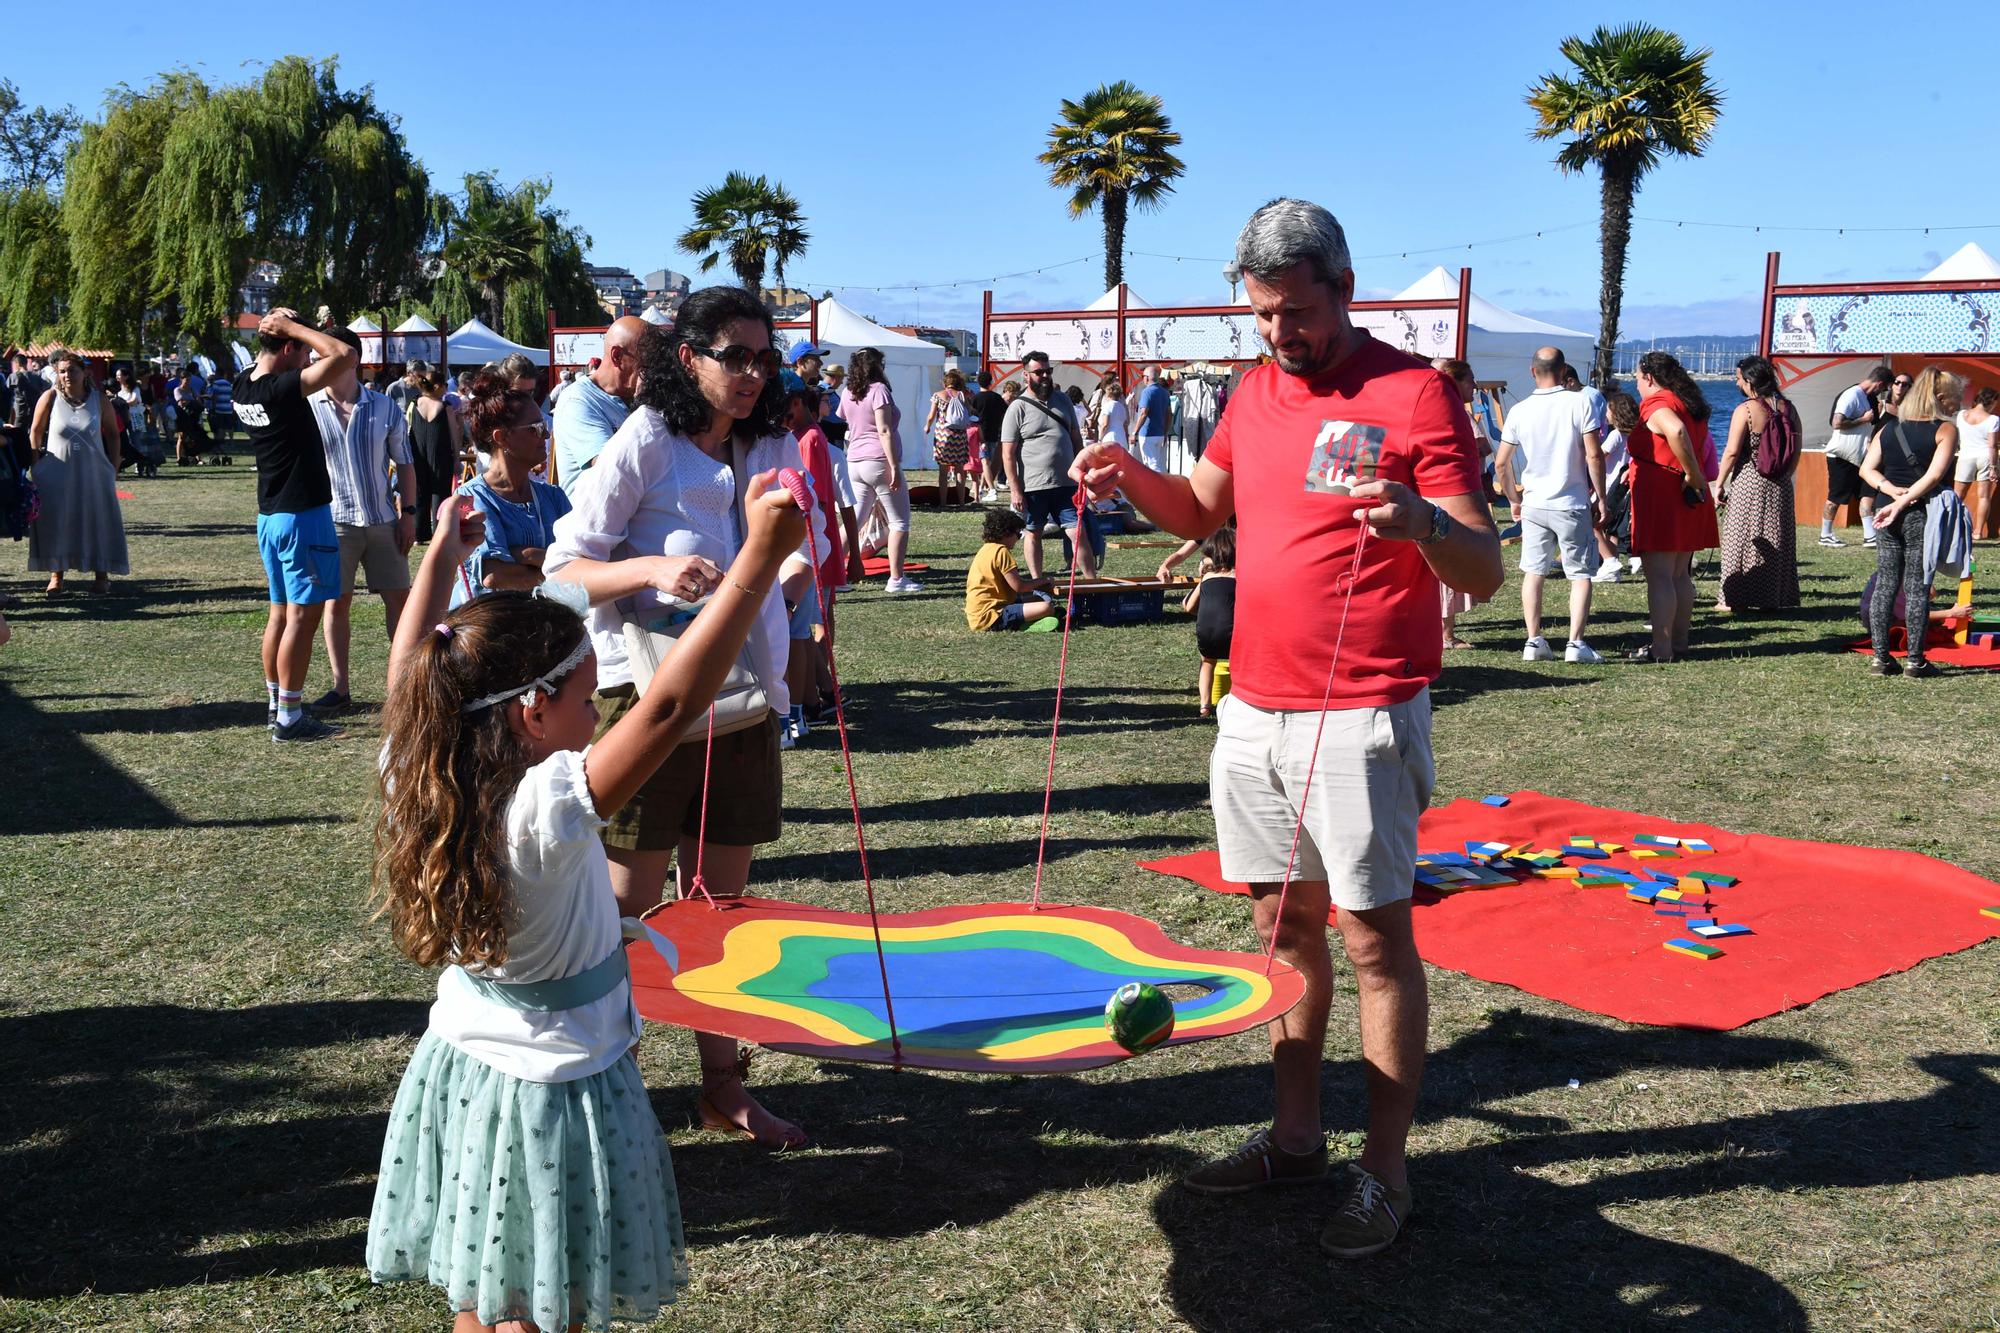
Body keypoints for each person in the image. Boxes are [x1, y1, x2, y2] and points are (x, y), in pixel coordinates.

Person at [1070, 198, 1501, 1258]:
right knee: (1281, 932)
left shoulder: (1414, 395)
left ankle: (1384, 1172)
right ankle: (1295, 1138)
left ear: (1343, 293)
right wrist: (1125, 474)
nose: (1276, 334)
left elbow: (1482, 569)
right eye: (1259, 314)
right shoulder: (1252, 393)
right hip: (1250, 708)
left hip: (1361, 710)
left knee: (1371, 940)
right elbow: (1198, 511)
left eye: (1293, 313)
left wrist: (1421, 522)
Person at [366, 471, 809, 1332]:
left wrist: (435, 565)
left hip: (463, 1066)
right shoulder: (544, 810)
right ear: (534, 711)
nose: (595, 709)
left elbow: (409, 662)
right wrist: (756, 558)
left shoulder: (420, 763)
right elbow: (672, 702)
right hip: (554, 1088)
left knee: (486, 1291)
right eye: (583, 695)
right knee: (549, 1303)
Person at [543, 285, 823, 1151]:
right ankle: (610, 1087)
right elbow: (563, 567)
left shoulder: (771, 440)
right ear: (687, 357)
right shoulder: (646, 441)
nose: (750, 374)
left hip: (743, 699)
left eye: (763, 358)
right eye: (732, 356)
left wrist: (804, 624)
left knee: (722, 910)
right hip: (644, 700)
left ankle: (721, 1088)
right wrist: (650, 574)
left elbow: (796, 555)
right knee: (626, 912)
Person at [234, 307, 360, 741]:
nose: (310, 359)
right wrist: (295, 328)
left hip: (271, 516)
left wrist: (283, 330)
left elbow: (318, 357)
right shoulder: (281, 390)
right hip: (303, 516)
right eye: (303, 351)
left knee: (280, 615)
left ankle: (276, 702)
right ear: (287, 346)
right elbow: (344, 354)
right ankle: (289, 715)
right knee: (302, 618)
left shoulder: (243, 385)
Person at [310, 326, 417, 711]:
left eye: (325, 353)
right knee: (335, 602)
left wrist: (409, 515)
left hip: (383, 518)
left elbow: (405, 463)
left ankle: (405, 684)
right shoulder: (309, 406)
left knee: (399, 600)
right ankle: (341, 687)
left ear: (350, 358)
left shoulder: (384, 406)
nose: (317, 360)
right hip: (333, 519)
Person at [1491, 346, 1607, 663]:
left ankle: (1533, 640)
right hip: (1571, 500)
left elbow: (1502, 464)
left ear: (1532, 372)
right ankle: (1575, 644)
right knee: (1580, 573)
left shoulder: (1519, 410)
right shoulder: (1580, 402)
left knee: (1533, 571)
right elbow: (1594, 455)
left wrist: (1514, 500)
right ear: (1563, 369)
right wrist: (1601, 497)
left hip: (1534, 501)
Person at [1861, 367, 1962, 677]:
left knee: (1887, 582)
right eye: (1955, 398)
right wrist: (1904, 500)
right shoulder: (1944, 430)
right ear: (1941, 398)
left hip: (1885, 510)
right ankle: (1915, 661)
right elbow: (1934, 476)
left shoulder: (1890, 428)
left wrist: (1892, 494)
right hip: (1921, 513)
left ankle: (1881, 658)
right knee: (1917, 586)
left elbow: (1867, 470)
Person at [1626, 351, 1720, 663]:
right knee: (1680, 574)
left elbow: (1675, 431)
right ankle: (1678, 644)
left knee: (1660, 576)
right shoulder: (1689, 402)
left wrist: (1692, 473)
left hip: (1665, 493)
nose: (1636, 385)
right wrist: (1693, 475)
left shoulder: (1658, 403)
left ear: (1649, 378)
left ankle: (1662, 649)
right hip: (1684, 492)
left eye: (1637, 379)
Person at [452, 371, 574, 609]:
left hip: (549, 629)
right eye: (536, 428)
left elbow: (581, 560)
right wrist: (557, 571)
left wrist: (527, 555)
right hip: (496, 633)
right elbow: (495, 576)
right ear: (502, 437)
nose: (546, 434)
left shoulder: (553, 497)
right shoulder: (472, 499)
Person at [27, 352, 129, 596]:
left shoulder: (99, 399)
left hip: (94, 473)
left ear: (85, 373)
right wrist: (36, 466)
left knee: (97, 520)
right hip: (55, 473)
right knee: (57, 521)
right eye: (62, 371)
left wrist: (111, 467)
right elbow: (35, 432)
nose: (66, 375)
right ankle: (56, 576)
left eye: (72, 370)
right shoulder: (49, 397)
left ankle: (101, 576)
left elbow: (114, 435)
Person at [1713, 356, 1802, 613]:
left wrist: (1719, 483)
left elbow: (1731, 452)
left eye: (1739, 379)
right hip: (1781, 483)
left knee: (1739, 538)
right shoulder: (1789, 408)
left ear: (1750, 381)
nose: (1737, 383)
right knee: (1778, 538)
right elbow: (1795, 450)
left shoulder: (1746, 410)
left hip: (1750, 480)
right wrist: (1785, 475)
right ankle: (1772, 597)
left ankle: (1733, 598)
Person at [1002, 351, 1098, 582]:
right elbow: (1007, 454)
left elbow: (1076, 438)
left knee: (1078, 532)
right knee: (1033, 533)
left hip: (1066, 483)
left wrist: (1082, 473)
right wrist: (1015, 490)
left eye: (1048, 371)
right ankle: (1038, 582)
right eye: (1038, 372)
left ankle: (1093, 583)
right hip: (1034, 486)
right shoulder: (1017, 408)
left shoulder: (1063, 400)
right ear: (1026, 376)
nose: (1045, 376)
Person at [840, 347, 921, 592]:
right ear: (877, 366)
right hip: (878, 460)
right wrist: (894, 465)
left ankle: (833, 575)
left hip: (854, 461)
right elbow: (883, 430)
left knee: (854, 520)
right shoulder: (879, 391)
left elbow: (847, 421)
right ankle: (896, 579)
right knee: (899, 522)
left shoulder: (847, 392)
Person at [1431, 358, 1491, 641]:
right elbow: (1483, 447)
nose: (1475, 386)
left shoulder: (1434, 410)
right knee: (1447, 563)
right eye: (1470, 380)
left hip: (1438, 495)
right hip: (1453, 497)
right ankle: (1446, 634)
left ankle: (1442, 630)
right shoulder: (1457, 413)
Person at [554, 316, 647, 492]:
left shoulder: (631, 397)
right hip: (595, 516)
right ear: (617, 356)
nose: (652, 370)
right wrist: (647, 408)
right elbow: (613, 473)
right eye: (647, 360)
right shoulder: (578, 401)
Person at [1821, 365, 1890, 548]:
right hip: (1841, 456)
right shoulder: (1852, 395)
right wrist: (1863, 420)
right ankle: (1825, 534)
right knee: (1835, 496)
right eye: (1883, 388)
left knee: (1866, 494)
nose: (1882, 392)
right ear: (1880, 383)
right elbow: (1836, 423)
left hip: (1860, 455)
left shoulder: (1869, 399)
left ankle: (1870, 536)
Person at [964, 507, 1060, 632]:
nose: (1018, 538)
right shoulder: (1001, 551)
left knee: (1038, 600)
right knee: (1047, 607)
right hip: (992, 616)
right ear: (1006, 533)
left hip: (980, 614)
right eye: (1018, 534)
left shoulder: (986, 549)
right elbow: (1019, 587)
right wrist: (1043, 580)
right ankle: (1025, 624)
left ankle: (1032, 618)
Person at [1181, 525, 1236, 716]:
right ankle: (1238, 700)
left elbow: (1187, 607)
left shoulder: (1207, 578)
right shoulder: (1240, 577)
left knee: (1207, 662)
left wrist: (1201, 577)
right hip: (1231, 636)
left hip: (1206, 635)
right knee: (1239, 663)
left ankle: (1204, 706)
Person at [407, 374, 465, 542]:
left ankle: (420, 533)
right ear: (438, 386)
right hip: (441, 454)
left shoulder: (414, 403)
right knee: (440, 492)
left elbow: (408, 427)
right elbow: (455, 434)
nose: (446, 390)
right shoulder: (444, 406)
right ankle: (439, 531)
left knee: (419, 491)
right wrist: (456, 458)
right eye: (445, 386)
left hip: (417, 453)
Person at [1596, 390, 1639, 580]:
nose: (1606, 414)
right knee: (1612, 528)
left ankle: (1609, 562)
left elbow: (1599, 457)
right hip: (1625, 487)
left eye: (1608, 411)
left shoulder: (1615, 436)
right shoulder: (1636, 436)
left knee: (1596, 523)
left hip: (1609, 485)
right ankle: (1613, 561)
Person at [924, 368, 975, 507]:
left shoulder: (938, 395)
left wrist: (927, 426)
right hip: (960, 435)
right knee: (960, 469)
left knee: (943, 471)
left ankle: (943, 502)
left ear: (945, 383)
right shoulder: (963, 395)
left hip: (943, 435)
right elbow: (969, 412)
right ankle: (961, 502)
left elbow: (931, 415)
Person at [1952, 386, 1996, 541]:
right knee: (1984, 497)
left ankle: (1953, 528)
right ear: (1992, 402)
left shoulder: (1962, 415)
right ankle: (1978, 532)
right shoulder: (1993, 419)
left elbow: (1956, 437)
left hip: (1965, 456)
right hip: (1984, 456)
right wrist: (1993, 467)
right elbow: (1992, 445)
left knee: (1957, 496)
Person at [971, 369, 1008, 500]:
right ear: (990, 382)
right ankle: (981, 489)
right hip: (994, 433)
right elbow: (1005, 413)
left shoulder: (975, 399)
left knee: (984, 463)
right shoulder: (997, 398)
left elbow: (971, 415)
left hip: (980, 435)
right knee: (987, 462)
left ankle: (992, 490)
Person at [1134, 366, 1173, 473]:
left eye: (1143, 376)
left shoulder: (1147, 392)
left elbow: (1143, 413)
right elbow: (1169, 414)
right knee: (1159, 464)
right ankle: (1163, 486)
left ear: (1147, 378)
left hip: (1148, 434)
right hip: (1160, 434)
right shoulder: (1165, 392)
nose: (1142, 379)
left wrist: (1134, 432)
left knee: (1151, 466)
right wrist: (1165, 432)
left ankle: (1156, 488)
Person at [173, 366, 212, 466]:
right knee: (182, 437)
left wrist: (200, 399)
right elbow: (181, 403)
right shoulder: (178, 390)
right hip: (182, 416)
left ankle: (199, 459)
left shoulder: (191, 389)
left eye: (189, 380)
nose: (188, 382)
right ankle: (179, 458)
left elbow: (197, 399)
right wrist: (193, 401)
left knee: (196, 437)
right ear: (181, 379)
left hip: (193, 415)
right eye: (186, 380)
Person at [206, 370, 236, 457]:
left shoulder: (216, 384)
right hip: (228, 409)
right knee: (224, 429)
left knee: (219, 429)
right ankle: (221, 446)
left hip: (219, 409)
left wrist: (204, 397)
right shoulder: (228, 384)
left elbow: (214, 396)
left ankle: (218, 447)